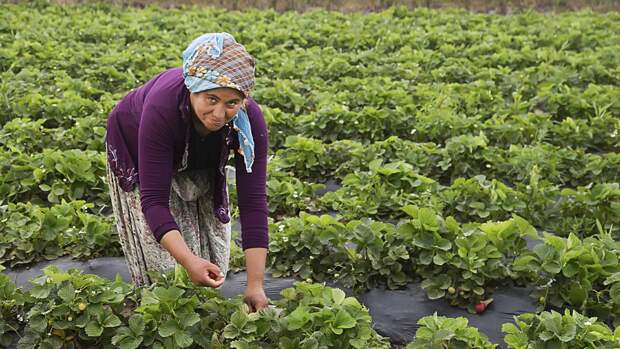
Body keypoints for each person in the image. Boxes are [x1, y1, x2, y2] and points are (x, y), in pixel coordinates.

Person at [104, 32, 269, 311]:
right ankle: (156, 307)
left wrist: (255, 285)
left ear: (244, 99)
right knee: (163, 264)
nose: (219, 114)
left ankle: (196, 301)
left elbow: (253, 204)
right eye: (211, 98)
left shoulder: (248, 122)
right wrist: (187, 260)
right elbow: (154, 201)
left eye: (232, 103)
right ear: (193, 87)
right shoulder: (162, 108)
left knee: (212, 249)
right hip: (137, 145)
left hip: (200, 153)